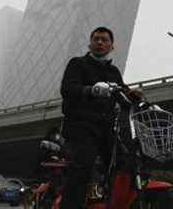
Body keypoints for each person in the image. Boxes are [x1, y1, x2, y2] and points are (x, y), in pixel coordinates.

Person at [59, 26, 141, 209]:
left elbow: (122, 93)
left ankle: (109, 202)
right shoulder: (78, 64)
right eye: (96, 39)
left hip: (107, 128)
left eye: (104, 40)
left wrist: (133, 95)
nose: (100, 42)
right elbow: (67, 89)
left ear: (111, 46)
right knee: (82, 167)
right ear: (90, 43)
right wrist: (91, 90)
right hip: (82, 126)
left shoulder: (114, 72)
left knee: (123, 163)